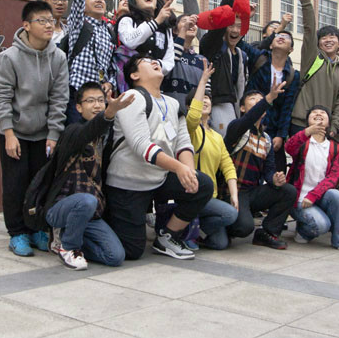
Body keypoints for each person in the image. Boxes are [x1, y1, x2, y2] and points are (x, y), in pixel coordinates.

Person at [104, 54, 214, 260]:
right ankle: (97, 225)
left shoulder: (172, 103)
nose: (154, 62)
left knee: (202, 184)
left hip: (158, 179)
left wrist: (189, 172)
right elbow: (141, 145)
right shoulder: (132, 97)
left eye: (155, 60)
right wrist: (178, 168)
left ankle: (167, 236)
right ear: (134, 75)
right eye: (146, 61)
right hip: (128, 185)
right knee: (131, 251)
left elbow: (183, 143)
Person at [0, 0, 69, 257]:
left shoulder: (58, 57)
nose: (49, 25)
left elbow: (60, 98)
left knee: (39, 184)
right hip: (15, 132)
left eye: (51, 21)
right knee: (15, 184)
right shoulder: (9, 57)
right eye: (42, 21)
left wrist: (53, 134)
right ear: (26, 25)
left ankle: (36, 229)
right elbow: (1, 97)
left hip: (43, 134)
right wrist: (8, 134)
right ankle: (17, 233)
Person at [45, 82, 132, 270]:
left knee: (115, 256)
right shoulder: (72, 132)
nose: (97, 105)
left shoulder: (103, 140)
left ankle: (68, 240)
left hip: (91, 213)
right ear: (78, 107)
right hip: (63, 209)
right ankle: (69, 247)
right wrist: (109, 113)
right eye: (90, 101)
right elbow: (89, 130)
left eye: (101, 101)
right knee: (86, 200)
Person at [224, 81, 298, 250]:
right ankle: (223, 224)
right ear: (242, 108)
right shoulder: (236, 127)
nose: (258, 101)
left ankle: (267, 233)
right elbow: (249, 119)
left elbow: (268, 170)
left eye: (260, 100)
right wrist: (269, 97)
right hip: (233, 191)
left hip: (253, 192)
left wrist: (275, 179)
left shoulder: (267, 139)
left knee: (288, 191)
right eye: (253, 99)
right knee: (244, 228)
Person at [200, 0, 265, 134]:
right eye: (231, 26)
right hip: (216, 103)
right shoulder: (213, 46)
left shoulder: (241, 55)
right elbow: (220, 18)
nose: (235, 30)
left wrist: (247, 17)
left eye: (239, 26)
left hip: (236, 105)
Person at [185, 62, 239, 250]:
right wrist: (203, 82)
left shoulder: (216, 136)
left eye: (208, 98)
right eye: (201, 99)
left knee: (220, 243)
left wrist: (234, 194)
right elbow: (193, 117)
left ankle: (196, 230)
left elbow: (228, 166)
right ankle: (188, 225)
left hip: (211, 197)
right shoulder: (189, 130)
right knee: (230, 215)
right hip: (194, 195)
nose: (206, 101)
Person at [288, 0, 339, 140]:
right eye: (324, 38)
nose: (328, 40)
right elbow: (309, 28)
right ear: (318, 42)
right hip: (301, 123)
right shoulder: (312, 57)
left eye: (333, 37)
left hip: (325, 128)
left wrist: (334, 126)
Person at [65, 0, 117, 124]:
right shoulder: (78, 23)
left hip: (99, 98)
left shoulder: (109, 30)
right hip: (77, 94)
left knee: (97, 146)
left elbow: (112, 65)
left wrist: (110, 82)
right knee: (76, 140)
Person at [285, 106, 339, 251]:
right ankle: (304, 230)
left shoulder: (334, 147)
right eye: (314, 112)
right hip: (299, 199)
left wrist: (313, 196)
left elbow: (333, 177)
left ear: (329, 122)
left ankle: (338, 240)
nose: (319, 114)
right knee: (322, 226)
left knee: (336, 195)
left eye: (323, 113)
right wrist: (308, 132)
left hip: (318, 197)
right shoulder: (302, 142)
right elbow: (289, 147)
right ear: (307, 120)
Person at [241, 22, 300, 177]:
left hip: (273, 130)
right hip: (249, 124)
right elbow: (239, 41)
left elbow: (287, 107)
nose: (281, 37)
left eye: (286, 37)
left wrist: (281, 135)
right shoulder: (259, 58)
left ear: (291, 49)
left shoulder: (292, 75)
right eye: (278, 35)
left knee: (277, 171)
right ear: (271, 44)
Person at [115, 0, 175, 75]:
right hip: (131, 81)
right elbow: (130, 41)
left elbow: (169, 60)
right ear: (135, 3)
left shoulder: (165, 28)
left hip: (156, 81)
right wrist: (157, 21)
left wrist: (158, 64)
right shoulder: (127, 20)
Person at [162, 14, 205, 107]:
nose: (190, 24)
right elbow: (174, 57)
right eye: (184, 21)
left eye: (193, 22)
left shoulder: (202, 60)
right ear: (175, 30)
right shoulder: (167, 52)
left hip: (194, 114)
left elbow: (206, 91)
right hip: (170, 109)